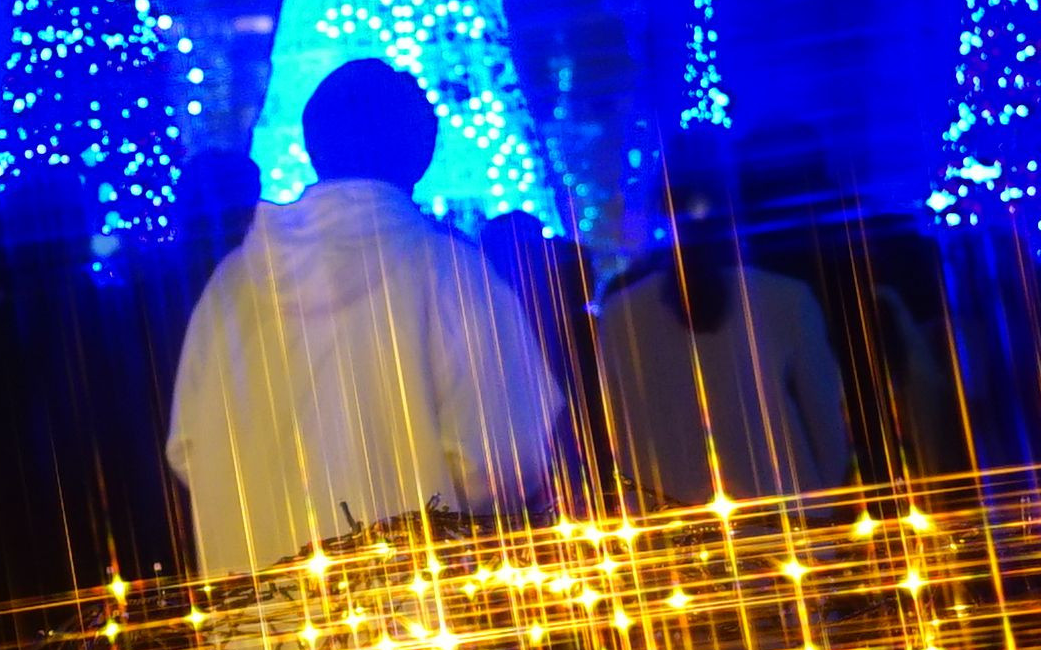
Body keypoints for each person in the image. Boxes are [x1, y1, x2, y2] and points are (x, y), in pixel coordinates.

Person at [165, 60, 568, 575]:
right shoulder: (445, 272)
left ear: (315, 147)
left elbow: (190, 450)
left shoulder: (232, 285)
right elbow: (503, 462)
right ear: (418, 147)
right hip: (410, 601)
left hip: (262, 605)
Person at [590, 133, 851, 509]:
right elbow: (829, 432)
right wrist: (814, 503)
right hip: (787, 519)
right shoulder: (786, 297)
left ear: (661, 207)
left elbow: (617, 434)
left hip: (672, 524)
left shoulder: (621, 312)